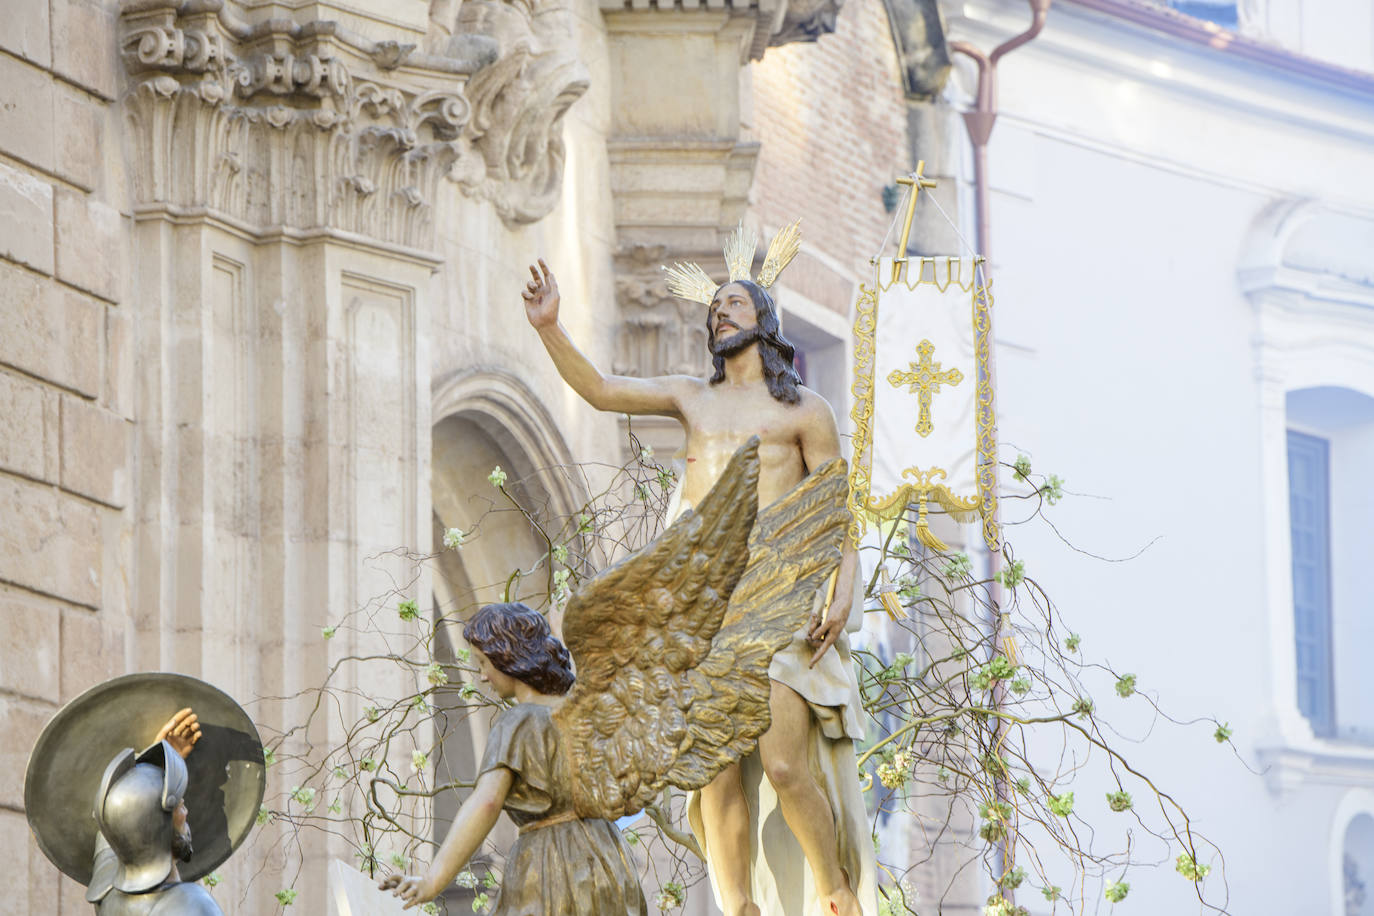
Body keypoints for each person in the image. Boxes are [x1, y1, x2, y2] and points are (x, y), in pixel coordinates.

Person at [521, 236, 876, 916]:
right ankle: (737, 907)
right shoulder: (692, 398)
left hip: (779, 600)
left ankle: (834, 890)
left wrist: (843, 591)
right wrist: (550, 328)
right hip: (706, 603)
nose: (719, 313)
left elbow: (839, 515)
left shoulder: (804, 410)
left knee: (782, 762)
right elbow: (599, 390)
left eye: (734, 303)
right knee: (713, 771)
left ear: (763, 322)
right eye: (714, 307)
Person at [380, 602, 648, 914]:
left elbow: (487, 802)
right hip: (609, 861)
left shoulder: (519, 722)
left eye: (483, 663)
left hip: (550, 865)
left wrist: (432, 880)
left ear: (505, 656)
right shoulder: (588, 716)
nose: (482, 677)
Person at [88, 708, 223, 915]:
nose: (186, 812)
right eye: (179, 807)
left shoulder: (106, 895)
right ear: (159, 827)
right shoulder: (193, 905)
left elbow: (117, 824)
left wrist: (150, 768)